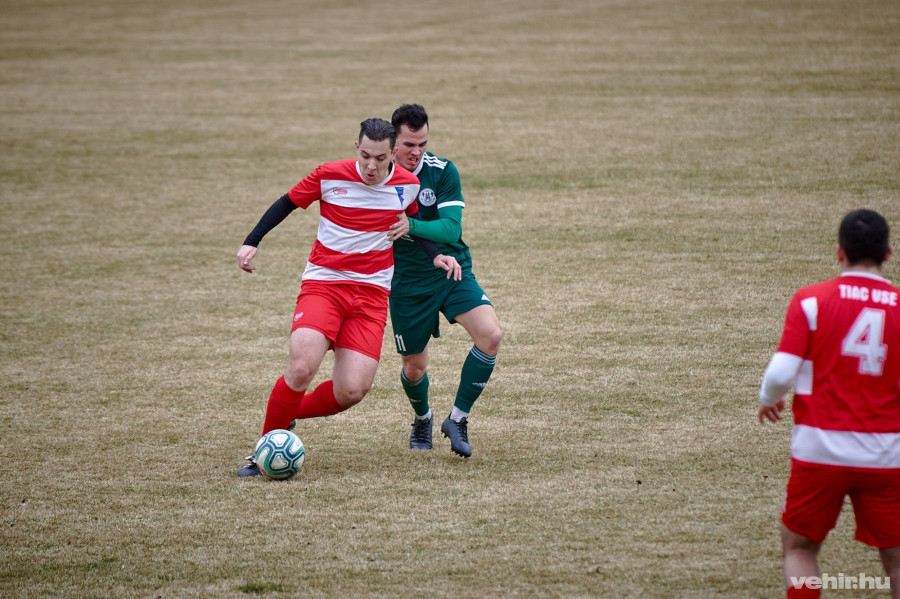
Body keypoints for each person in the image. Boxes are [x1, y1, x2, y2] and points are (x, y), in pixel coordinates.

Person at [235, 117, 459, 477]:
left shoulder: (407, 184)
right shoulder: (329, 175)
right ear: (357, 147)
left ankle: (288, 412)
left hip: (370, 296)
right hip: (324, 284)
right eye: (366, 156)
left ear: (393, 155)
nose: (372, 166)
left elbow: (410, 224)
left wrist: (435, 253)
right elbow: (286, 203)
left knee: (352, 391)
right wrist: (252, 241)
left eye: (381, 159)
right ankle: (264, 451)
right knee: (302, 365)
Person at [757, 208, 900, 599]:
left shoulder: (810, 301)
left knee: (800, 547)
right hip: (886, 455)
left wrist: (769, 400)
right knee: (897, 560)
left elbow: (780, 373)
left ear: (839, 252)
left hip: (819, 452)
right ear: (888, 254)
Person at [388, 104, 502, 458]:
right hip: (406, 282)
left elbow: (451, 228)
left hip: (452, 270)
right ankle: (423, 418)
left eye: (422, 143)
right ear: (392, 142)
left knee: (491, 335)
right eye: (409, 144)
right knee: (414, 367)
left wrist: (412, 225)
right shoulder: (379, 176)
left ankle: (457, 419)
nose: (416, 151)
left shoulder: (442, 171)